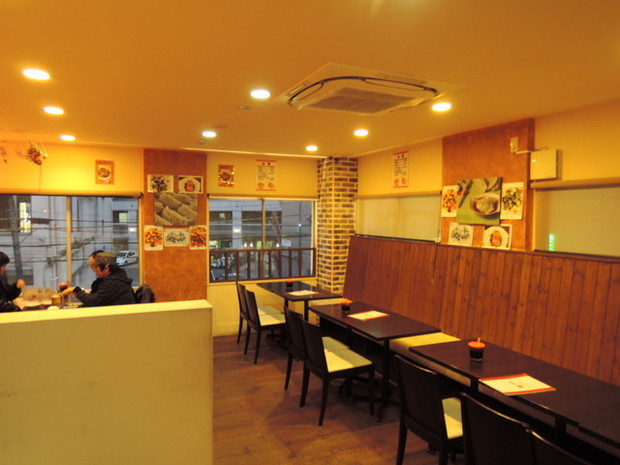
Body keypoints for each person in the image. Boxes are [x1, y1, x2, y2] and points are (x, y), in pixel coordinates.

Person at [60, 252, 135, 307]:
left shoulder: (114, 282)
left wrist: (76, 290)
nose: (94, 271)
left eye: (96, 268)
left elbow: (94, 301)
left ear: (106, 268)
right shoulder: (114, 278)